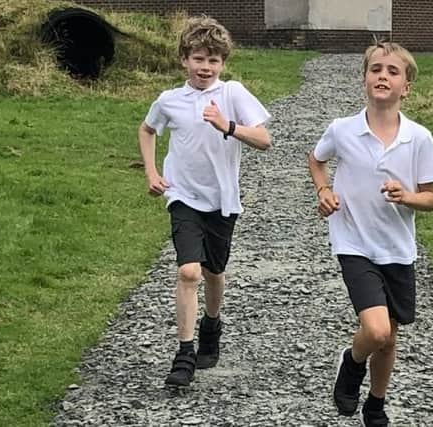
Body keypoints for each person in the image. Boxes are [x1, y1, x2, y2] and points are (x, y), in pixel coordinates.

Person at [308, 41, 433, 426]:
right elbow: (316, 160)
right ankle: (352, 364)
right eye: (376, 69)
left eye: (393, 71)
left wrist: (408, 196)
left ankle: (376, 404)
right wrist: (324, 191)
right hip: (353, 242)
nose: (383, 76)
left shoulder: (419, 138)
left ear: (407, 87)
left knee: (389, 339)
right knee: (377, 329)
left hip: (398, 249)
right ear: (365, 79)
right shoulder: (343, 130)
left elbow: (432, 198)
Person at [138, 15, 271, 387]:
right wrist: (152, 174)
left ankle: (211, 324)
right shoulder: (170, 100)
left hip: (222, 199)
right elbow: (147, 130)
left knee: (213, 272)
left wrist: (227, 125)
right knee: (188, 271)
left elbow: (264, 140)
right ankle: (184, 353)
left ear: (223, 64)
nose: (205, 67)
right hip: (182, 194)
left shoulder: (233, 94)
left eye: (213, 60)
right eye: (198, 59)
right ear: (185, 60)